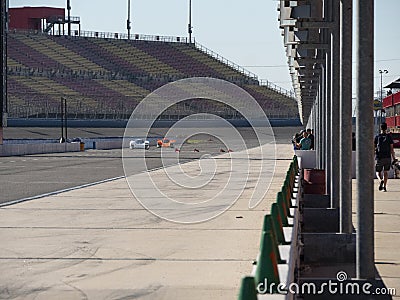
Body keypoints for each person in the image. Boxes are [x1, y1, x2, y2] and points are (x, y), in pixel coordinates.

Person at [374, 122, 396, 192]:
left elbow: (373, 148)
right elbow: (392, 149)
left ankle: (381, 180)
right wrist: (394, 157)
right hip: (388, 157)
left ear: (380, 128)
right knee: (386, 172)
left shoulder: (377, 137)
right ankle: (385, 187)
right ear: (386, 128)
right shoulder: (389, 137)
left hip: (380, 157)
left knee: (377, 172)